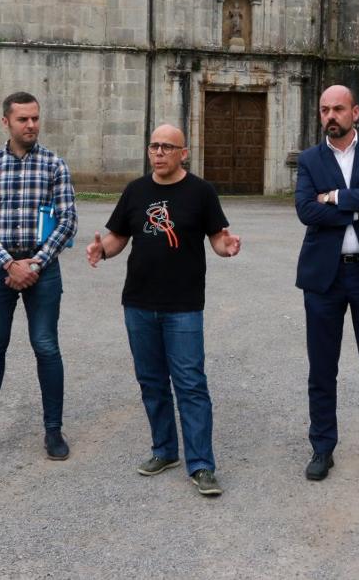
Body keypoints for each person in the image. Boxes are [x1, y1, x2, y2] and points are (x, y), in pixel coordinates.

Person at [86, 124, 240, 498]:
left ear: (183, 153)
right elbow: (119, 236)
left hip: (184, 305)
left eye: (167, 147)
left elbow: (218, 236)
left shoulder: (201, 192)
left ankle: (201, 464)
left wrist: (227, 245)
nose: (158, 152)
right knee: (152, 382)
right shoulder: (136, 191)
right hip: (138, 302)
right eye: (154, 146)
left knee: (190, 384)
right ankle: (165, 451)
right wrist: (102, 249)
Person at [0, 92, 77, 461]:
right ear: (6, 121)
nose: (31, 125)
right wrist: (10, 264)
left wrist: (35, 264)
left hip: (42, 268)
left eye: (36, 118)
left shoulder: (55, 165)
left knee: (46, 346)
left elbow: (68, 220)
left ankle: (53, 431)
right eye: (23, 119)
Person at [294, 84, 359, 482]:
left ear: (355, 112)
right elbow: (306, 210)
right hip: (324, 277)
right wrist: (358, 203)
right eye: (324, 110)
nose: (330, 116)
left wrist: (333, 198)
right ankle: (322, 448)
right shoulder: (309, 159)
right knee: (322, 368)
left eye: (338, 108)